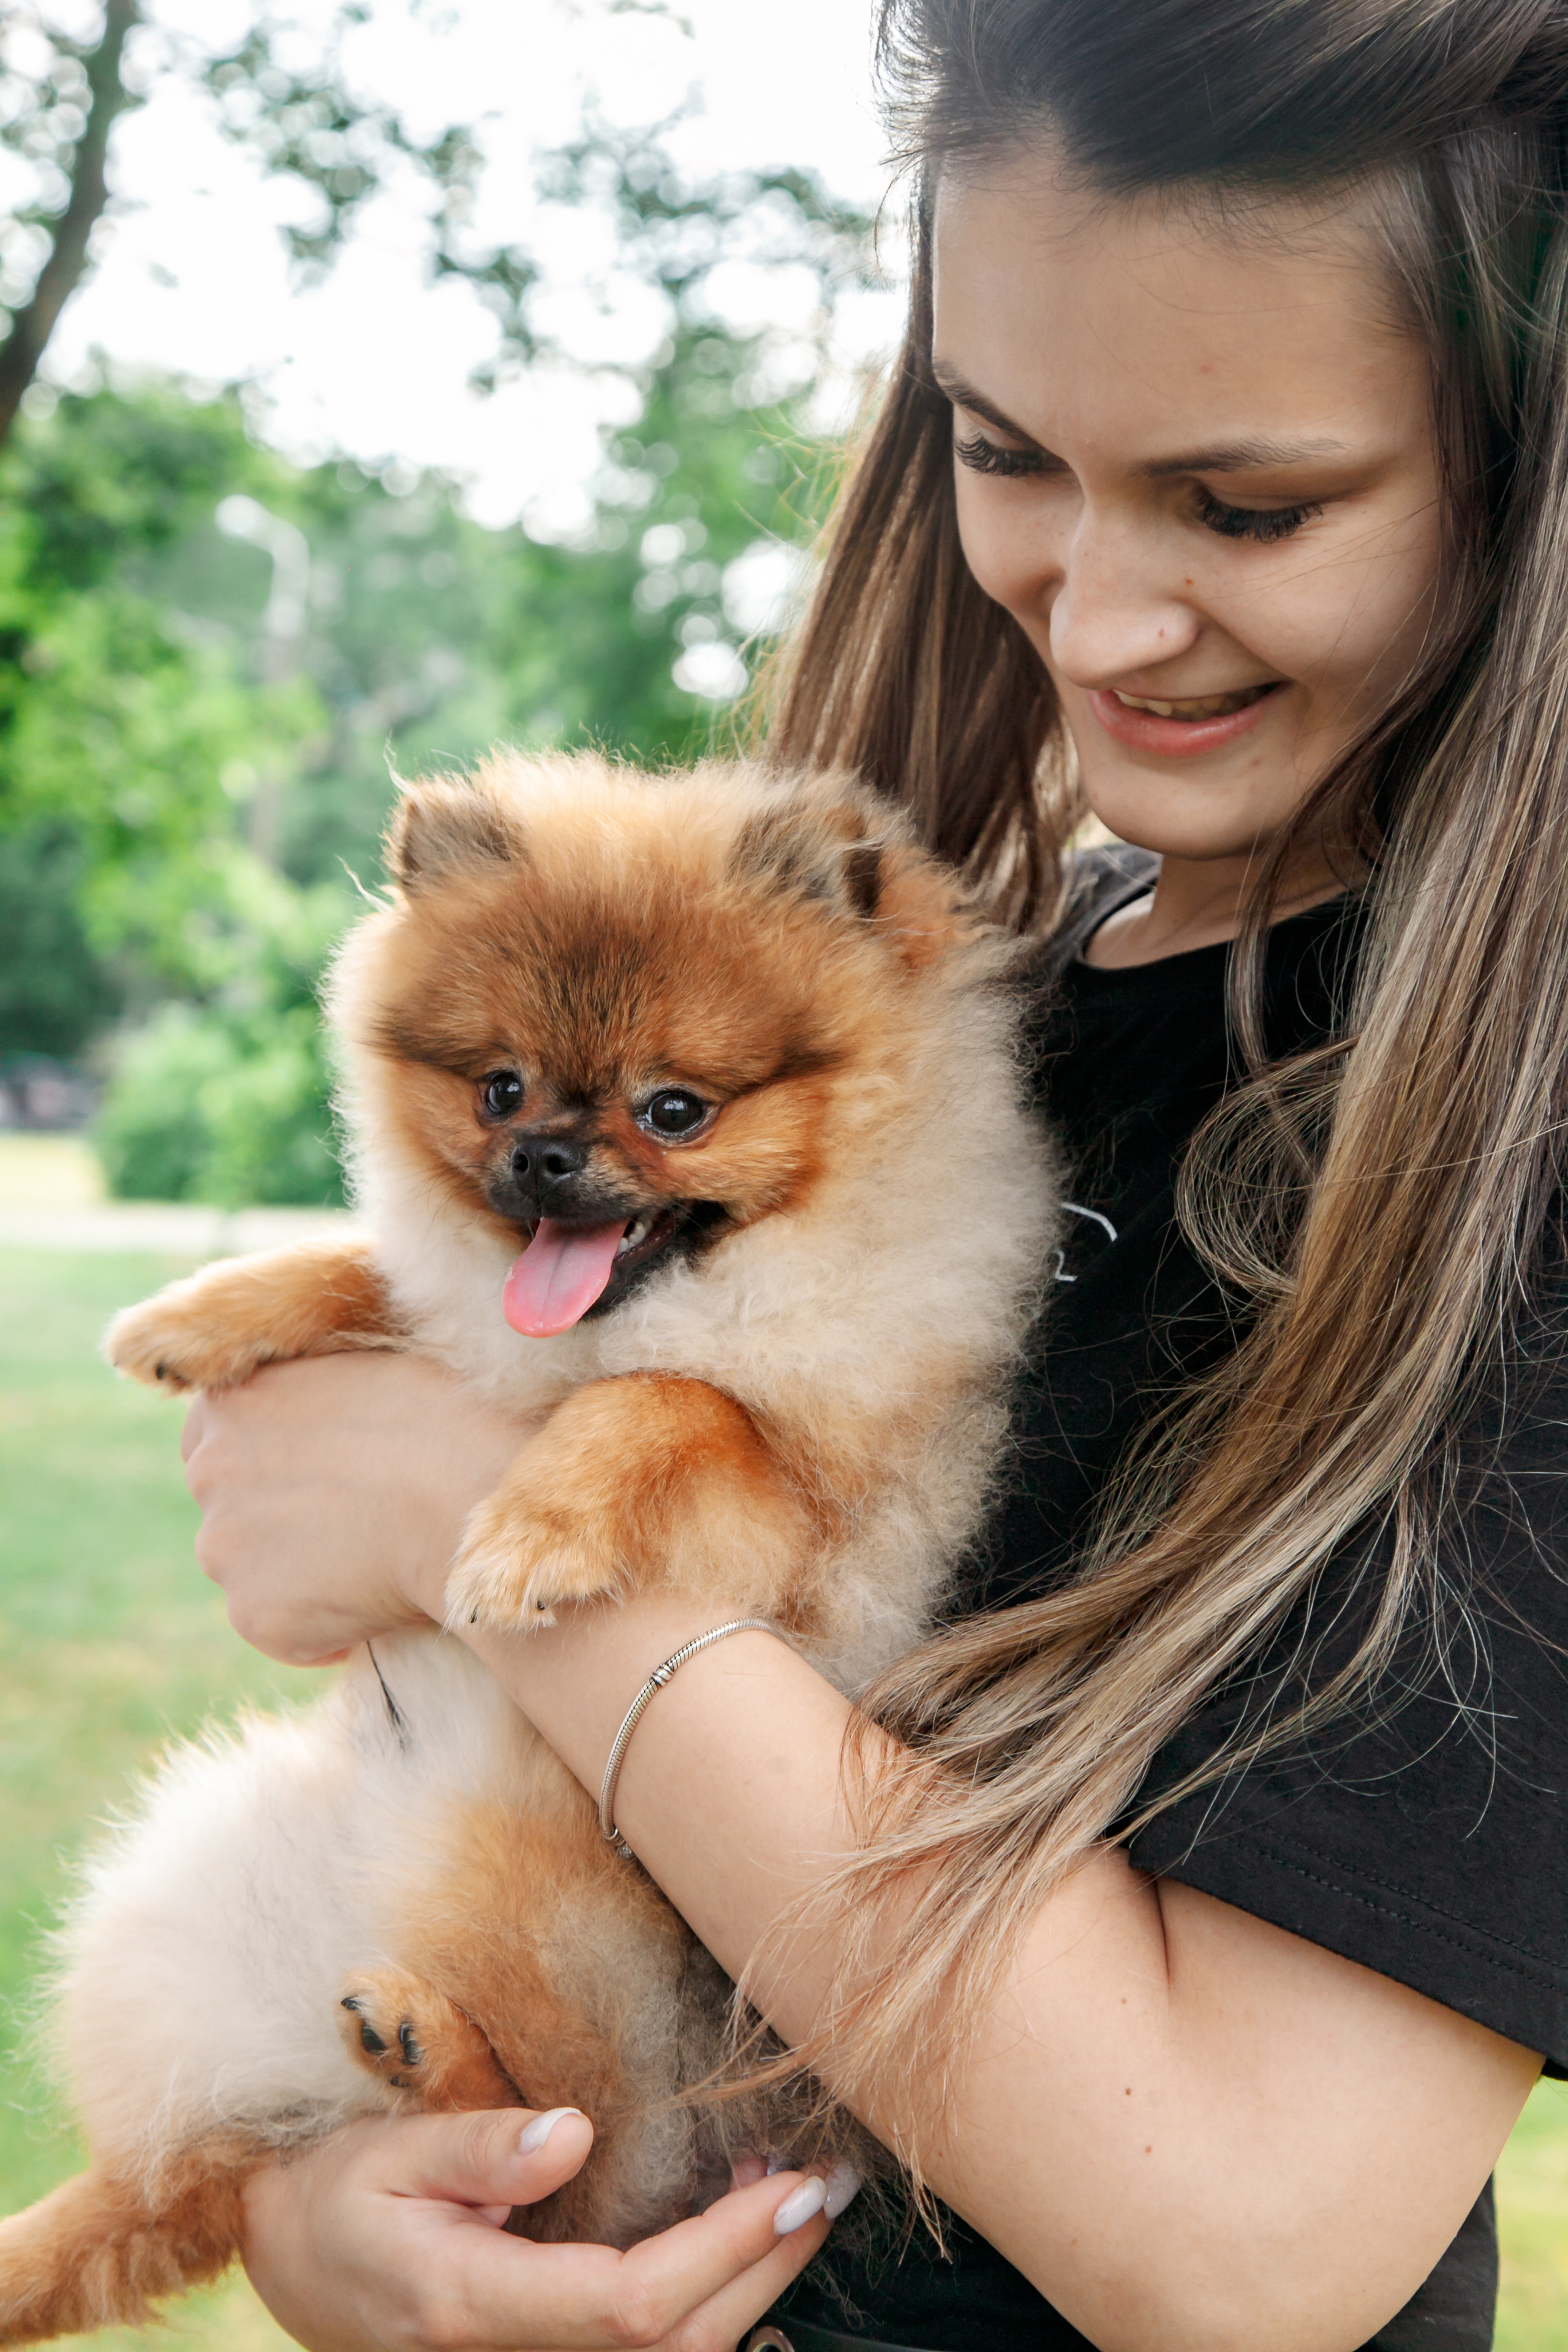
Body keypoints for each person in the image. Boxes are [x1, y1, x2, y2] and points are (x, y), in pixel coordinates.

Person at [175, 2, 1568, 2345]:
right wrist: (349, 2228)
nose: (1096, 614)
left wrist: (465, 1510)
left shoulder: (1499, 1167)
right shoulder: (962, 1019)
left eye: (1249, 505)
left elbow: (1244, 2247)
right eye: (1006, 448)